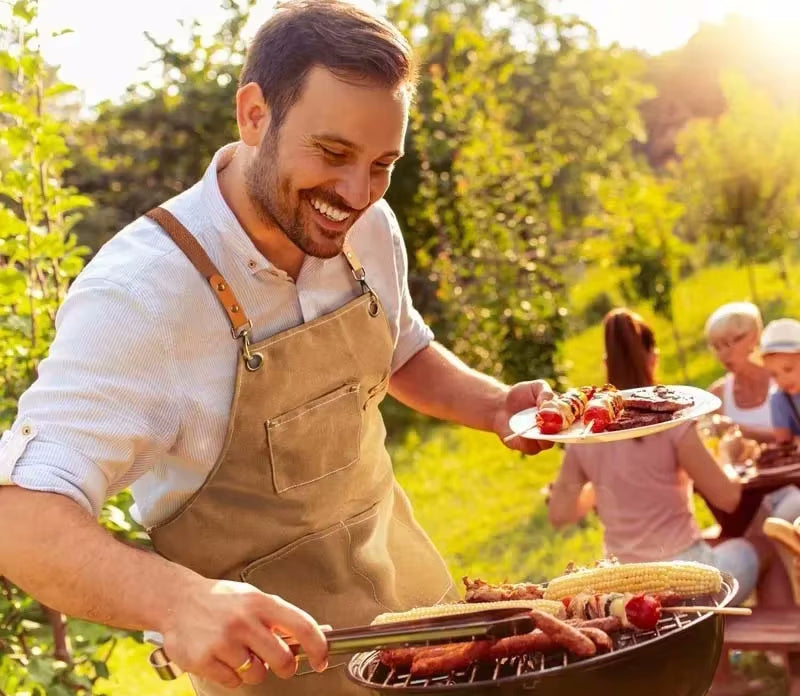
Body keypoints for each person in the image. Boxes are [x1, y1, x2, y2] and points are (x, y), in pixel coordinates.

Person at [0, 4, 554, 695]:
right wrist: (176, 601)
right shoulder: (140, 297)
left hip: (424, 630)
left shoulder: (368, 226)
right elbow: (19, 514)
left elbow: (399, 347)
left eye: (382, 164)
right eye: (333, 154)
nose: (357, 194)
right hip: (284, 676)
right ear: (255, 114)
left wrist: (495, 404)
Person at [548, 308, 800, 606]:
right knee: (764, 544)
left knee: (726, 540)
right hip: (685, 575)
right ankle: (785, 648)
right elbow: (728, 497)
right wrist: (729, 455)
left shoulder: (583, 433)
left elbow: (560, 514)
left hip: (622, 587)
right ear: (654, 358)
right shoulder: (672, 422)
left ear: (606, 364)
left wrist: (605, 486)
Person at [706, 302, 775, 442]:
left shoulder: (785, 379)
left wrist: (740, 430)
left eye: (729, 343)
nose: (723, 354)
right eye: (717, 347)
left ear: (754, 336)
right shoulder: (717, 396)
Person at [761, 318, 800, 442]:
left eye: (788, 369)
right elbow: (784, 441)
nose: (782, 380)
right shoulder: (779, 399)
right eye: (774, 374)